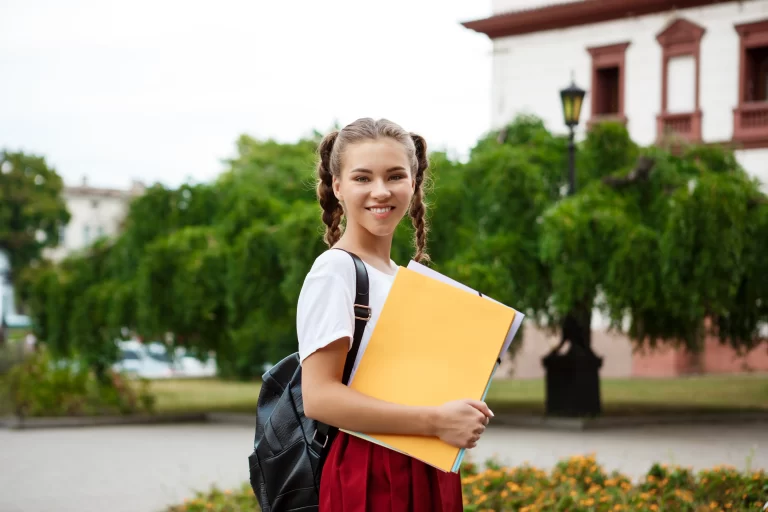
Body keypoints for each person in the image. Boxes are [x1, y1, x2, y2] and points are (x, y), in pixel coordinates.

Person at [297, 118, 493, 511]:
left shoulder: (400, 278)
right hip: (370, 470)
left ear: (414, 182)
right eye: (362, 178)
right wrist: (436, 421)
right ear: (337, 186)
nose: (380, 191)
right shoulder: (335, 270)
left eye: (395, 175)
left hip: (426, 462)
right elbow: (318, 398)